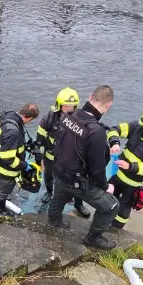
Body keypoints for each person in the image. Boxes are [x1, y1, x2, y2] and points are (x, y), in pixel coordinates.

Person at [46, 85, 121, 249]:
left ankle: (54, 220)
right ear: (108, 105)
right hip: (76, 180)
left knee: (59, 195)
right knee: (112, 206)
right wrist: (105, 186)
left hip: (58, 170)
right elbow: (97, 169)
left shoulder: (68, 116)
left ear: (90, 97)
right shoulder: (97, 132)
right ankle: (93, 239)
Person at [37, 87, 91, 219]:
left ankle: (78, 204)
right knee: (48, 176)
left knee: (77, 183)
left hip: (70, 160)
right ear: (59, 105)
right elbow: (40, 140)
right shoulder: (48, 119)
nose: (69, 109)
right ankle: (49, 192)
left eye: (72, 106)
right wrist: (39, 159)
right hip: (51, 157)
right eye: (66, 106)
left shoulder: (81, 119)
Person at [0, 103, 39, 216]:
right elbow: (8, 158)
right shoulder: (13, 133)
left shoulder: (9, 116)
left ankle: (0, 190)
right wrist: (24, 165)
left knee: (2, 186)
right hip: (5, 170)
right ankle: (0, 209)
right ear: (30, 118)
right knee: (4, 191)